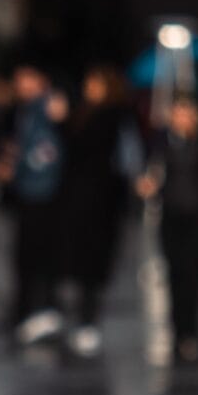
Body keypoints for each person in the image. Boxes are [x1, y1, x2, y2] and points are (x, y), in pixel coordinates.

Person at [57, 66, 142, 358]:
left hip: (102, 201)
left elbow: (117, 157)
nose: (89, 88)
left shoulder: (113, 117)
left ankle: (88, 321)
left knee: (93, 264)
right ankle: (81, 319)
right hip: (81, 200)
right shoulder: (83, 114)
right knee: (80, 264)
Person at [142, 95, 198, 364]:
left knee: (193, 272)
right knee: (174, 271)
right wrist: (147, 185)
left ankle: (192, 331)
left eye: (186, 113)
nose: (182, 118)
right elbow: (149, 171)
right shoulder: (160, 141)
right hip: (171, 214)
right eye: (177, 112)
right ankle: (179, 330)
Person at [0, 65, 68, 346]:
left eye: (26, 78)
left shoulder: (48, 107)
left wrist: (20, 165)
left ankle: (41, 311)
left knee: (37, 254)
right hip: (29, 192)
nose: (20, 84)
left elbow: (47, 151)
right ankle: (24, 310)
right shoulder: (25, 110)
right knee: (24, 255)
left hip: (43, 193)